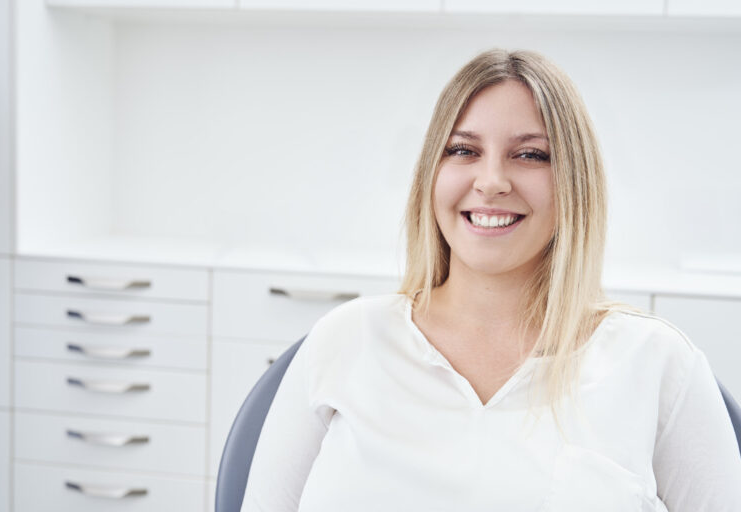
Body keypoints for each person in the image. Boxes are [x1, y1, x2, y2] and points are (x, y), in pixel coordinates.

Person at [239, 48, 741, 511]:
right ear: (431, 173)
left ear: (575, 183)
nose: (492, 181)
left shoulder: (658, 364)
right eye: (463, 150)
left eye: (531, 154)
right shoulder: (344, 341)